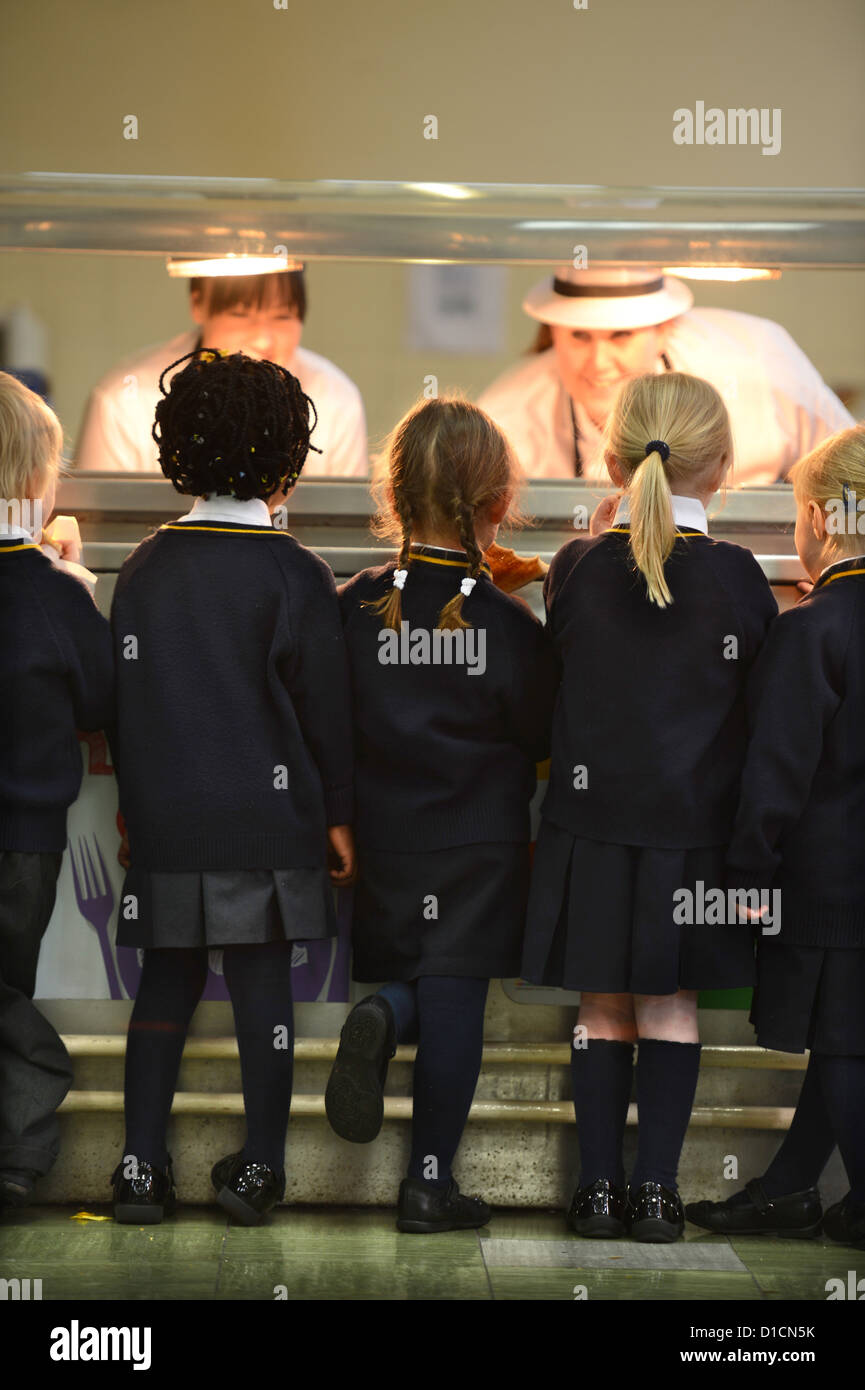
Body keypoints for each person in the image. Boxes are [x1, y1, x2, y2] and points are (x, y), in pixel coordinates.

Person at [522, 371, 778, 1242]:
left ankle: (594, 1192)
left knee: (601, 1008)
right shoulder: (741, 580)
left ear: (612, 455)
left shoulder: (577, 566)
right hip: (694, 838)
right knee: (669, 1006)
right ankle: (659, 1194)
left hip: (590, 832)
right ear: (723, 464)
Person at [108, 348, 355, 1226]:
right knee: (263, 991)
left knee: (164, 989)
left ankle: (139, 1164)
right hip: (269, 821)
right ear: (290, 459)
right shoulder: (297, 575)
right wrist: (337, 817)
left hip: (171, 816)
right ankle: (261, 1167)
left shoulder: (142, 570)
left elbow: (127, 708)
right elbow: (324, 720)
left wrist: (137, 809)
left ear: (178, 448)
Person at [325, 396, 558, 1233]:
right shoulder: (503, 620)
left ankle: (387, 1009)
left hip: (384, 837)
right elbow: (538, 730)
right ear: (497, 502)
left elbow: (327, 718)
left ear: (392, 495)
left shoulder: (351, 604)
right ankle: (428, 1183)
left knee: (422, 973)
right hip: (478, 840)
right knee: (457, 995)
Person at [687, 424, 865, 1250]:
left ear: (824, 520)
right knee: (849, 1037)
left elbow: (777, 774)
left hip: (826, 885)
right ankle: (789, 1188)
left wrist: (745, 866)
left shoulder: (811, 628)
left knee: (839, 1042)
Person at [0, 372, 114, 1211]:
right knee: (10, 985)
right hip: (24, 839)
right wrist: (76, 582)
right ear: (40, 483)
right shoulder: (52, 597)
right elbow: (101, 702)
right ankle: (16, 1152)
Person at [478, 266, 853, 485]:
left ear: (664, 328)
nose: (599, 361)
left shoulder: (758, 362)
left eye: (621, 335)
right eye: (579, 335)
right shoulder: (506, 417)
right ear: (553, 332)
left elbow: (852, 471)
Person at [75, 267, 368, 476]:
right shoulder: (127, 396)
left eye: (283, 316)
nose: (263, 340)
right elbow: (100, 525)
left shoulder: (334, 397)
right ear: (197, 304)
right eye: (241, 314)